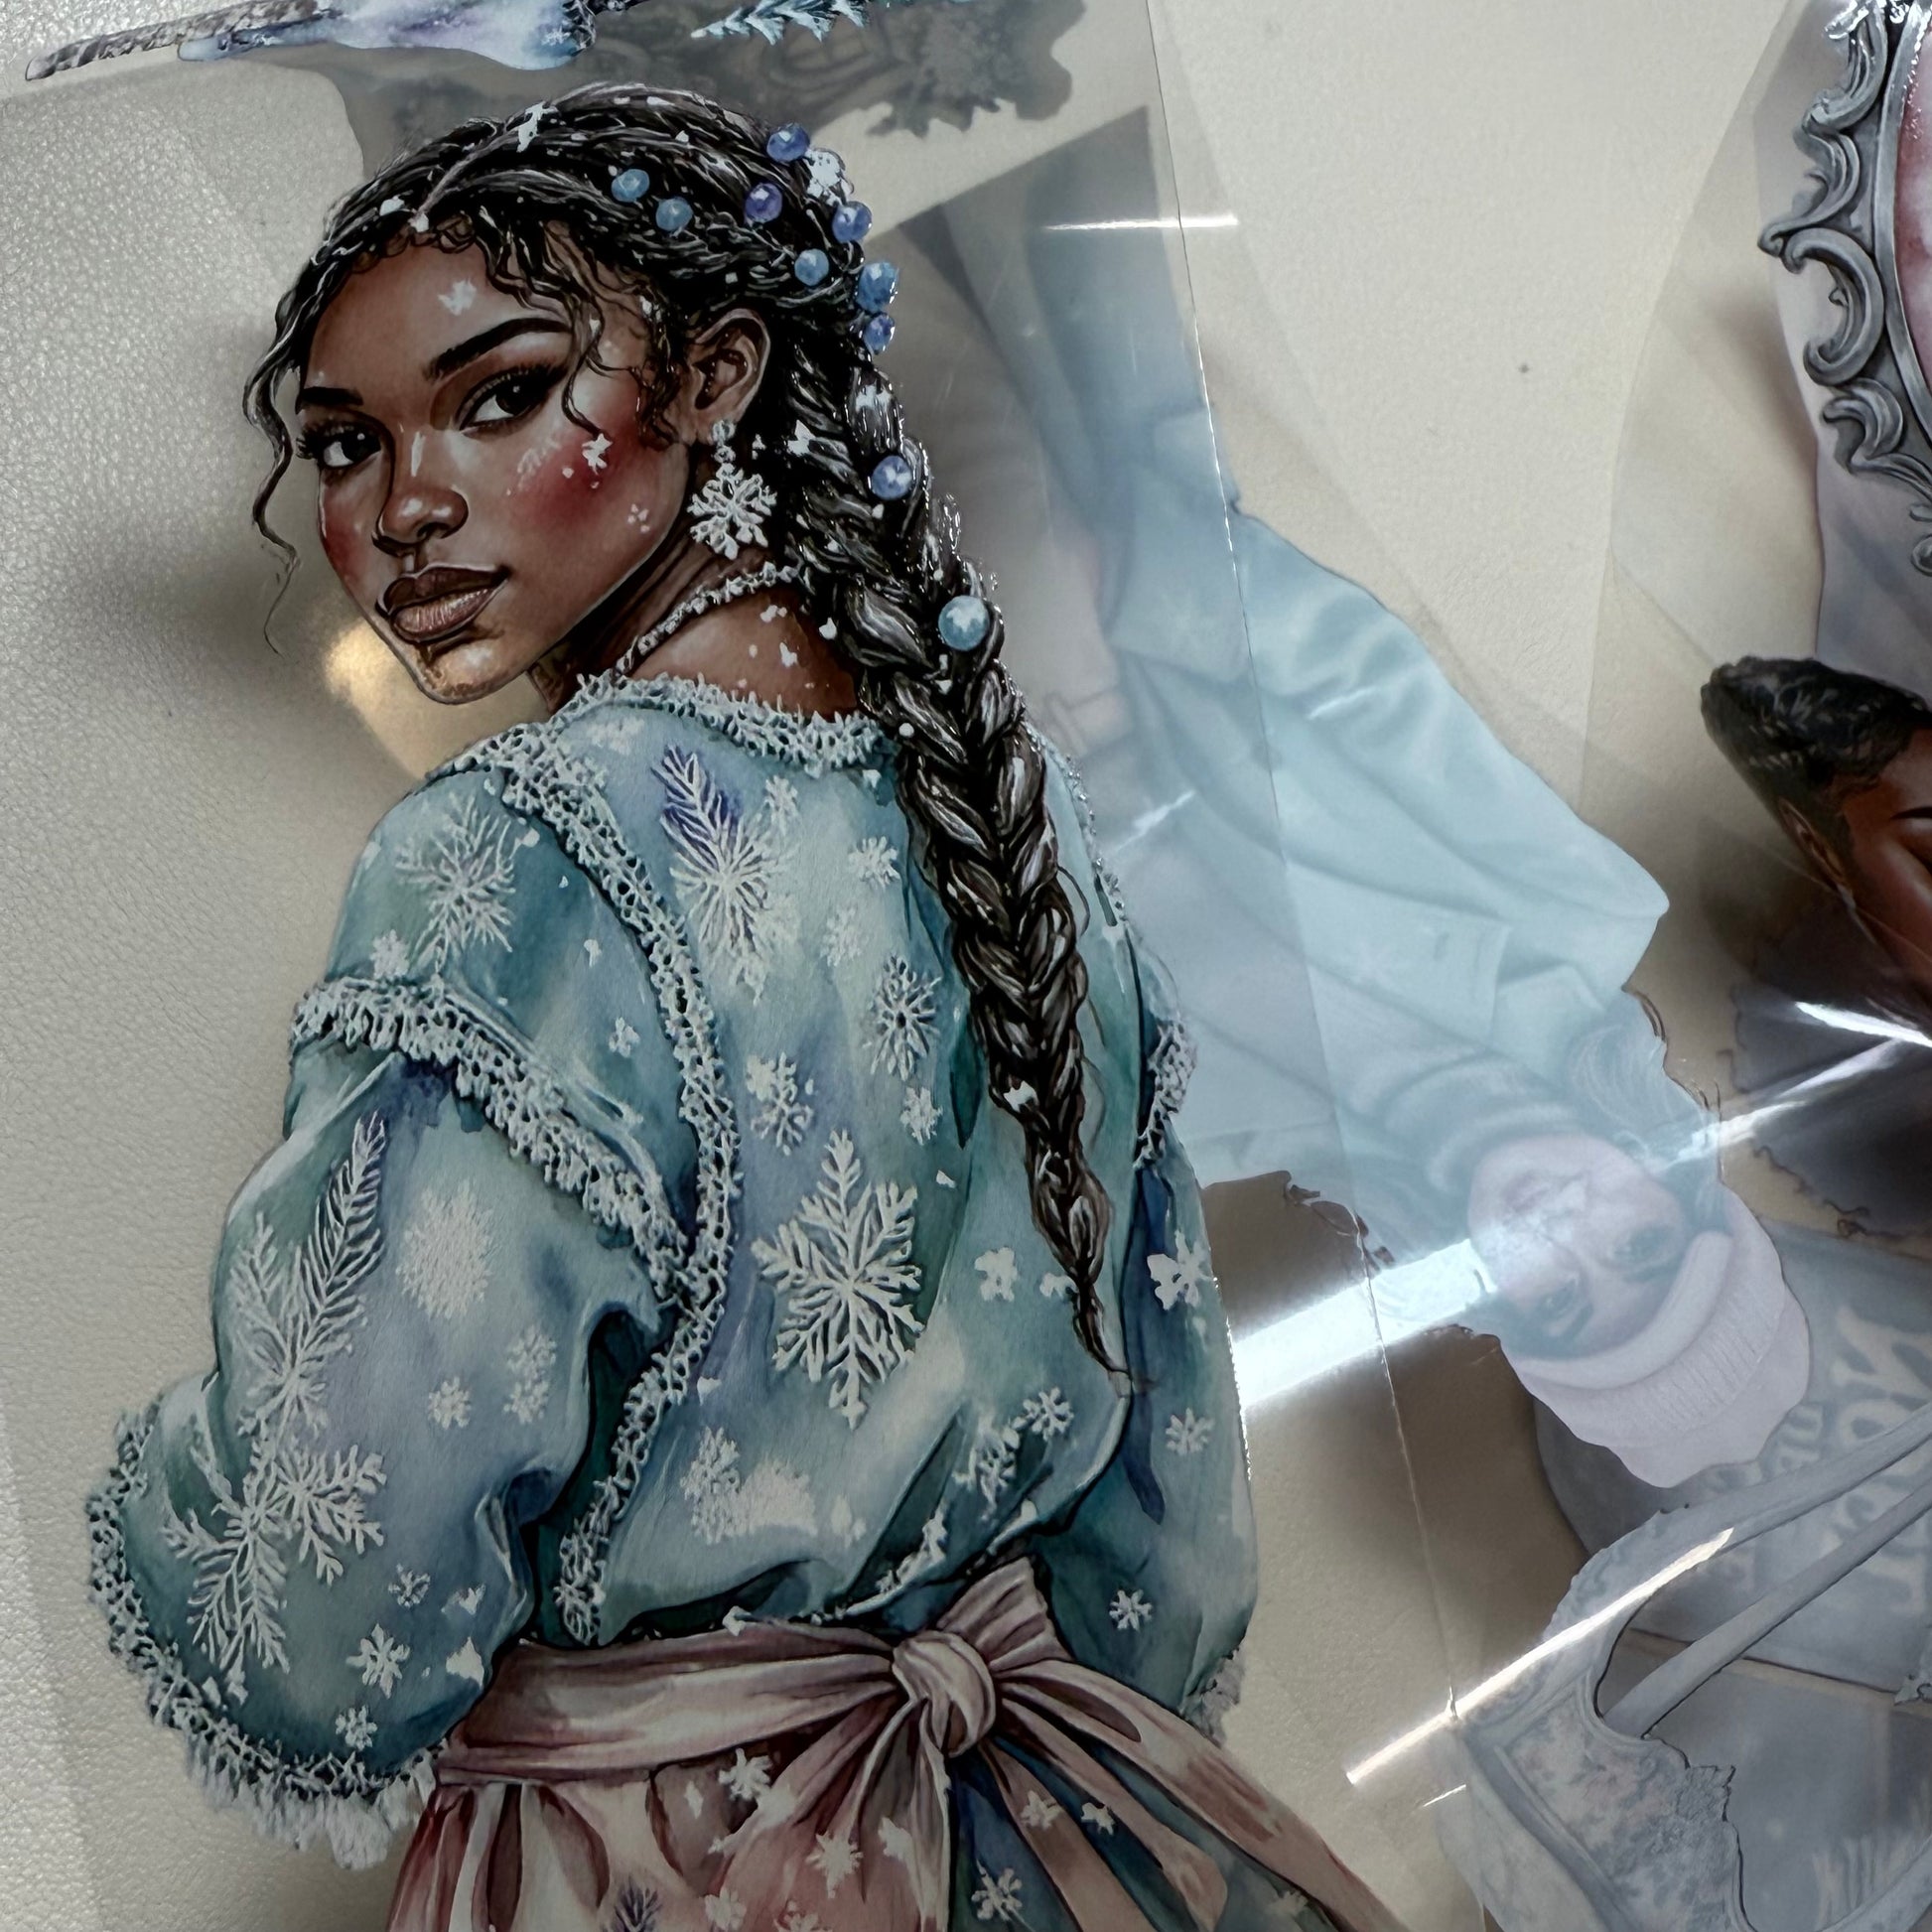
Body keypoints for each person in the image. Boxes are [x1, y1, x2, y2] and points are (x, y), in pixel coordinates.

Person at [83, 85, 1399, 1932]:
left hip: (657, 1865)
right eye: (345, 442)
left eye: (499, 395)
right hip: (1059, 1825)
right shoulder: (999, 808)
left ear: (714, 378)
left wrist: (157, 1498)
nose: (402, 509)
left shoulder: (518, 855)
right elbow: (1163, 1534)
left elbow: (330, 1594)